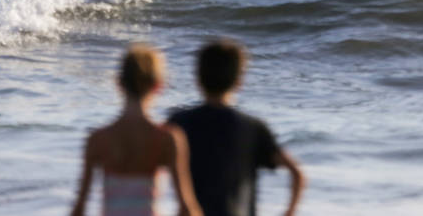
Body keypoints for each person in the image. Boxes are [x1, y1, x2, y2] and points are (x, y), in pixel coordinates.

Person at [168, 39, 305, 216]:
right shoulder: (252, 128)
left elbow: (150, 167)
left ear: (198, 77)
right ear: (239, 80)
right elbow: (296, 173)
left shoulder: (179, 124)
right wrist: (289, 212)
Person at [72, 43, 202, 216]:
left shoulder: (98, 139)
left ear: (119, 83)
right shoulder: (167, 139)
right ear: (158, 86)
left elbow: (79, 209)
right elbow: (186, 207)